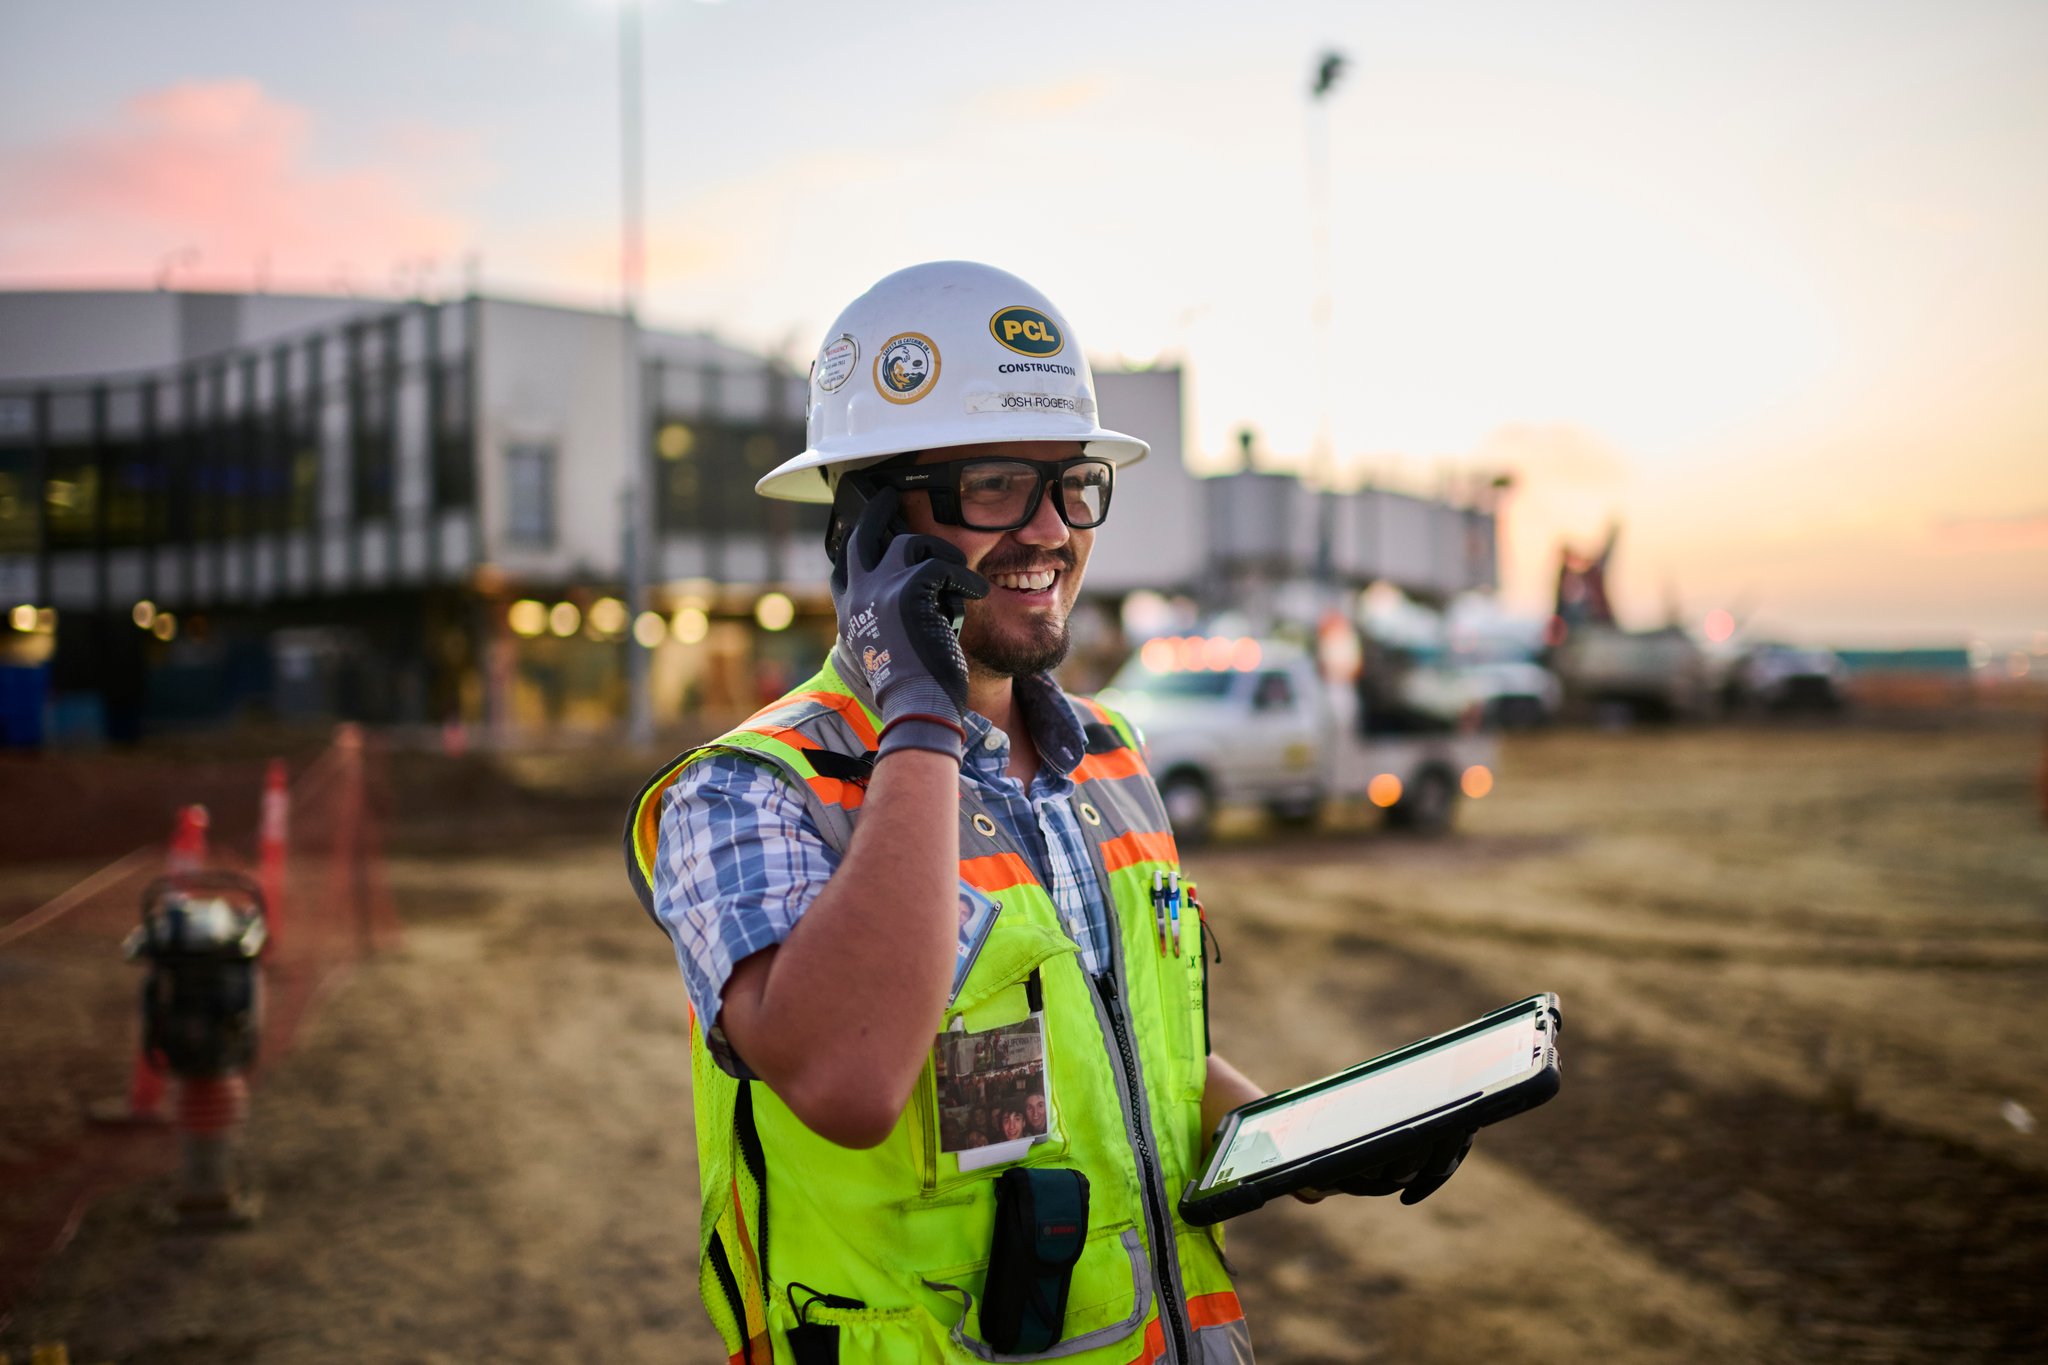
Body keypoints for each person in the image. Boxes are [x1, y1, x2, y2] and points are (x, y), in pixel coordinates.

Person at [625, 262, 1469, 1362]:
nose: (1049, 533)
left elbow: (1118, 1062)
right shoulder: (748, 790)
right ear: (869, 526)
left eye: (1071, 485)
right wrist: (917, 718)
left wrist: (1294, 1138)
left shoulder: (1107, 753)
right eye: (992, 487)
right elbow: (847, 1077)